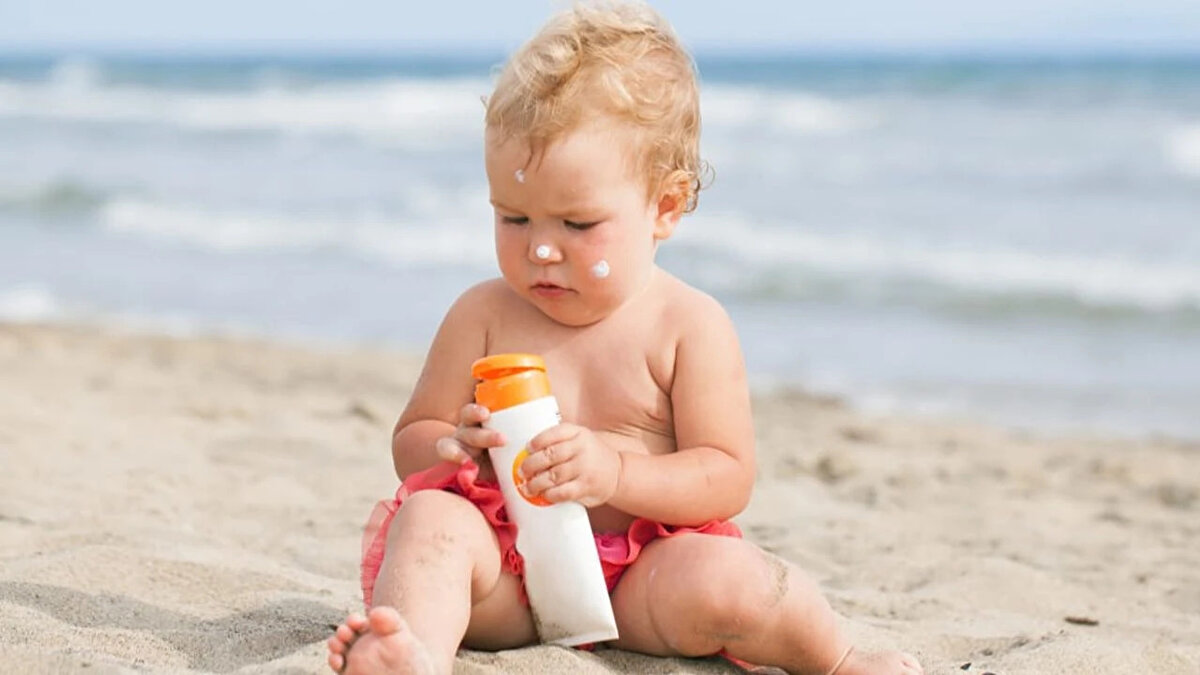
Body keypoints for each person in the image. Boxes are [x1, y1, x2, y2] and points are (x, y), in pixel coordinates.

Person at [326, 3, 922, 674]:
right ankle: (414, 652)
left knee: (738, 579)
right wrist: (452, 446)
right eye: (514, 216)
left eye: (578, 224)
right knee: (430, 521)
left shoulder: (688, 325)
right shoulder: (482, 313)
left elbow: (726, 475)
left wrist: (616, 471)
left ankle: (838, 660)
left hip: (643, 578)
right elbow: (413, 440)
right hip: (508, 571)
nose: (542, 248)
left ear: (664, 206)